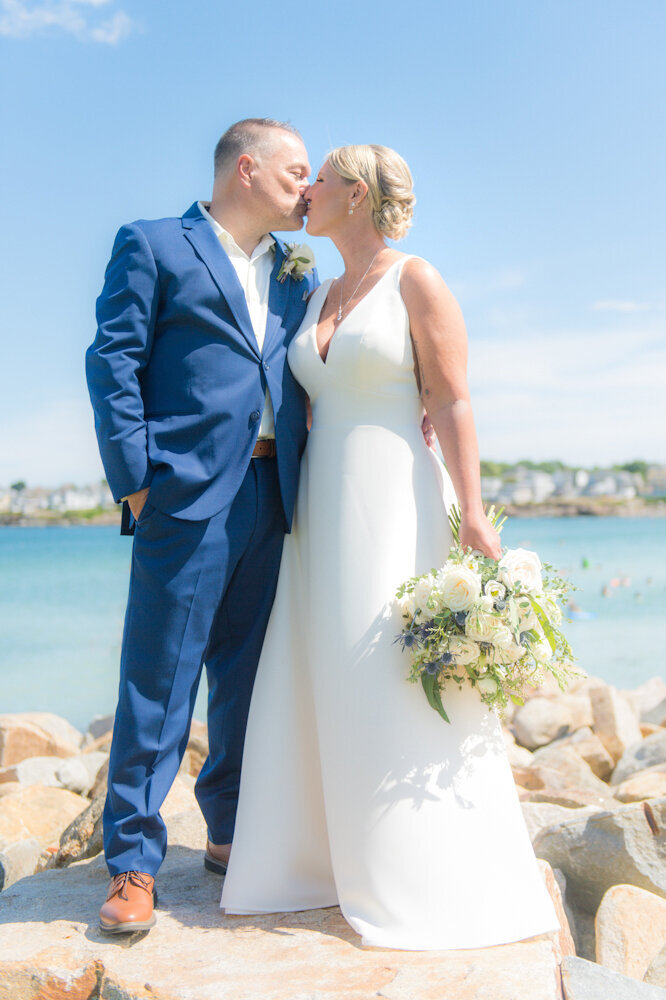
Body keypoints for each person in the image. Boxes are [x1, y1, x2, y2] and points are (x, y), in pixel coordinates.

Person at [221, 144, 560, 949]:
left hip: (397, 498)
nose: (306, 191)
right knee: (324, 668)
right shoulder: (314, 293)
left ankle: (418, 867)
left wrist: (474, 515)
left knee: (393, 673)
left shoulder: (417, 280)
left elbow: (452, 399)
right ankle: (323, 860)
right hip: (318, 506)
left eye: (322, 179)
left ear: (360, 195)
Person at [85, 118, 317, 934]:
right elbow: (110, 359)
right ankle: (133, 866)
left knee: (248, 681)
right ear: (245, 169)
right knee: (158, 680)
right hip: (181, 497)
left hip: (272, 492)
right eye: (296, 171)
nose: (308, 186)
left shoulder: (296, 270)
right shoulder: (153, 243)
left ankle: (229, 834)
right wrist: (137, 481)